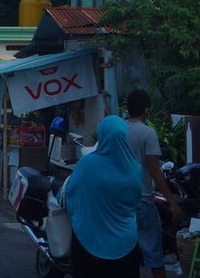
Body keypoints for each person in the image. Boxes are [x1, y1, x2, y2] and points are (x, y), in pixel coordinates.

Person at [61, 115, 144, 277]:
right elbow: (135, 202)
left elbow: (70, 193)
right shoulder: (135, 168)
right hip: (125, 243)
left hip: (89, 240)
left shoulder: (88, 164)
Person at [124, 90, 184, 278]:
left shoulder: (118, 131)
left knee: (126, 253)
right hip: (142, 200)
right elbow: (155, 171)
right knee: (154, 253)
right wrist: (172, 202)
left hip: (120, 202)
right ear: (147, 110)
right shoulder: (147, 133)